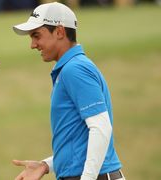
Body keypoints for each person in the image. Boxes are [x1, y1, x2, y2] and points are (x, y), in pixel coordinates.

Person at [11, 2, 125, 180]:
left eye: (36, 36)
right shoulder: (71, 68)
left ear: (59, 32)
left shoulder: (75, 69)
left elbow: (101, 128)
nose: (33, 45)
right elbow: (78, 141)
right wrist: (47, 165)